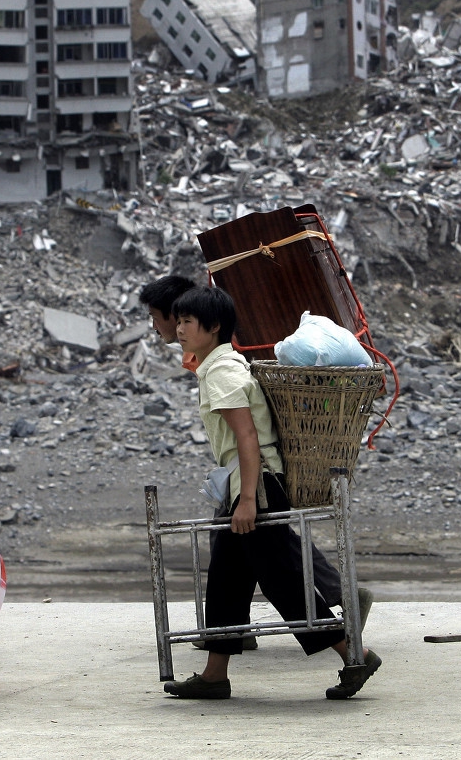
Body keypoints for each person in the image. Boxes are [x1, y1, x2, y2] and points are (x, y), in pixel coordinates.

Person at [161, 286, 381, 700]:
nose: (180, 328)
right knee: (227, 578)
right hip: (245, 485)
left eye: (188, 321)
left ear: (214, 327)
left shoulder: (222, 372)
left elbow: (247, 438)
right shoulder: (221, 366)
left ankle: (357, 654)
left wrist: (246, 500)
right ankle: (214, 674)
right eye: (179, 320)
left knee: (283, 581)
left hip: (256, 488)